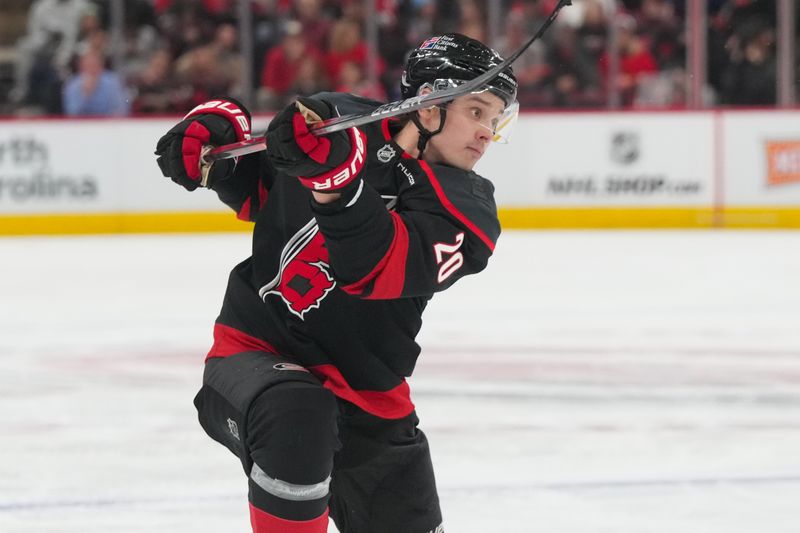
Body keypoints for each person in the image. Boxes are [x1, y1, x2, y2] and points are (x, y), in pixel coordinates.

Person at [154, 32, 517, 533]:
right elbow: (259, 189)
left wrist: (337, 185)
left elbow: (374, 268)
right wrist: (217, 138)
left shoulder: (467, 212)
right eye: (477, 112)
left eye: (496, 121)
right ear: (429, 106)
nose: (486, 133)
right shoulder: (338, 121)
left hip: (370, 396)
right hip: (253, 357)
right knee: (299, 412)